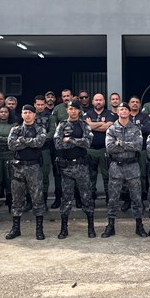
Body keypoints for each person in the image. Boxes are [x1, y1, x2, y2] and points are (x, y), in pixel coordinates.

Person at [53, 100, 95, 239]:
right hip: (67, 168)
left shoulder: (84, 125)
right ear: (67, 110)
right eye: (70, 108)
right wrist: (78, 141)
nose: (72, 111)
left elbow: (88, 143)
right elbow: (58, 144)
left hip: (82, 167)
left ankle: (91, 227)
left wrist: (70, 140)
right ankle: (64, 229)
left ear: (79, 111)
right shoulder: (62, 125)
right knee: (66, 199)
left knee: (86, 197)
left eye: (75, 109)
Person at [102, 103, 145, 238]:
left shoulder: (136, 128)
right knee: (113, 199)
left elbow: (138, 146)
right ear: (118, 112)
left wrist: (120, 143)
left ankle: (139, 225)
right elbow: (110, 148)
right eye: (121, 109)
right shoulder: (112, 129)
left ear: (129, 112)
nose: (124, 111)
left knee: (137, 198)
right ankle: (110, 226)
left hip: (132, 167)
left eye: (126, 109)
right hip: (116, 167)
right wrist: (127, 146)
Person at [7, 104, 47, 240]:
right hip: (18, 167)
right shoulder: (16, 129)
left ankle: (39, 229)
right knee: (17, 199)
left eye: (30, 112)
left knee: (37, 199)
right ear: (22, 114)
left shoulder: (40, 128)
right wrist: (30, 142)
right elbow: (11, 145)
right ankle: (15, 228)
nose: (28, 115)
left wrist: (23, 140)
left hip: (34, 167)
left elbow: (39, 142)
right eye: (25, 112)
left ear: (34, 115)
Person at [85, 93, 115, 202]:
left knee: (107, 175)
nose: (98, 102)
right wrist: (102, 123)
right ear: (93, 101)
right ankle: (91, 198)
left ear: (104, 102)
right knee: (90, 176)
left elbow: (109, 127)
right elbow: (86, 127)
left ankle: (109, 198)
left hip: (104, 150)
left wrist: (93, 124)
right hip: (90, 150)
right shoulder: (87, 113)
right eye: (96, 100)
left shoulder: (110, 113)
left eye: (100, 100)